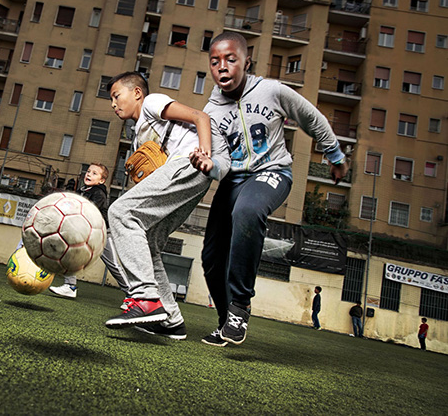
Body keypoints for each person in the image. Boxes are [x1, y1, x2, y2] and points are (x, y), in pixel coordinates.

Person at [190, 32, 349, 347]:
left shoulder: (272, 91)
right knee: (211, 256)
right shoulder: (211, 111)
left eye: (230, 59)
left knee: (247, 211)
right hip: (234, 179)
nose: (222, 67)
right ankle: (227, 322)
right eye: (215, 61)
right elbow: (221, 161)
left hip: (273, 172)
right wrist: (209, 166)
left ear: (246, 62)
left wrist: (335, 155)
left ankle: (240, 305)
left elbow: (312, 119)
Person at [104, 71, 230, 340]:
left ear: (136, 93)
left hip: (189, 164)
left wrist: (204, 154)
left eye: (117, 96)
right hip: (188, 179)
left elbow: (201, 117)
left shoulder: (151, 103)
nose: (113, 104)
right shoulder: (138, 135)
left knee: (120, 212)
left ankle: (145, 299)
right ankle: (171, 321)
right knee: (148, 242)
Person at [49, 163, 131, 307]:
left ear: (101, 181)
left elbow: (87, 210)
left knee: (113, 265)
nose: (89, 174)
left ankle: (134, 296)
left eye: (94, 173)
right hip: (87, 231)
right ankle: (70, 286)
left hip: (101, 233)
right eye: (88, 171)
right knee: (70, 254)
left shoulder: (99, 193)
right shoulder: (83, 190)